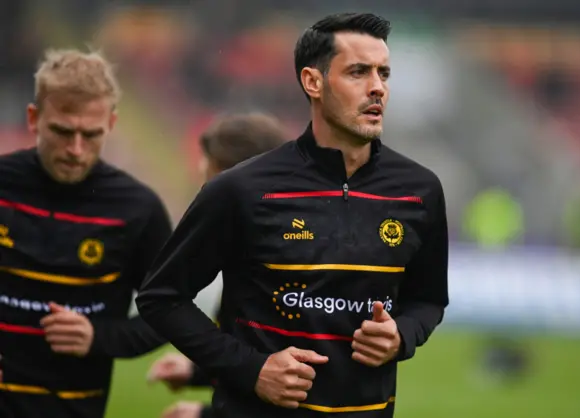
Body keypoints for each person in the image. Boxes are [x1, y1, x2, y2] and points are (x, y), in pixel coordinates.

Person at [136, 12, 449, 418]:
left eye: (383, 74)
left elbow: (428, 300)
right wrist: (254, 369)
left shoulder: (419, 191)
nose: (377, 88)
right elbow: (162, 297)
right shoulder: (242, 189)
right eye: (358, 72)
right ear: (312, 82)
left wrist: (401, 336)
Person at [0, 48, 170, 418]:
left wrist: (101, 337)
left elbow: (171, 310)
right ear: (33, 118)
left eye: (90, 135)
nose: (76, 150)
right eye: (62, 131)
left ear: (110, 123)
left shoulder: (137, 209)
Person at [146, 112, 289, 418]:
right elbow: (258, 359)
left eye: (209, 176)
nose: (203, 188)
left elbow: (286, 386)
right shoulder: (257, 246)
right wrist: (197, 372)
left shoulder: (285, 263)